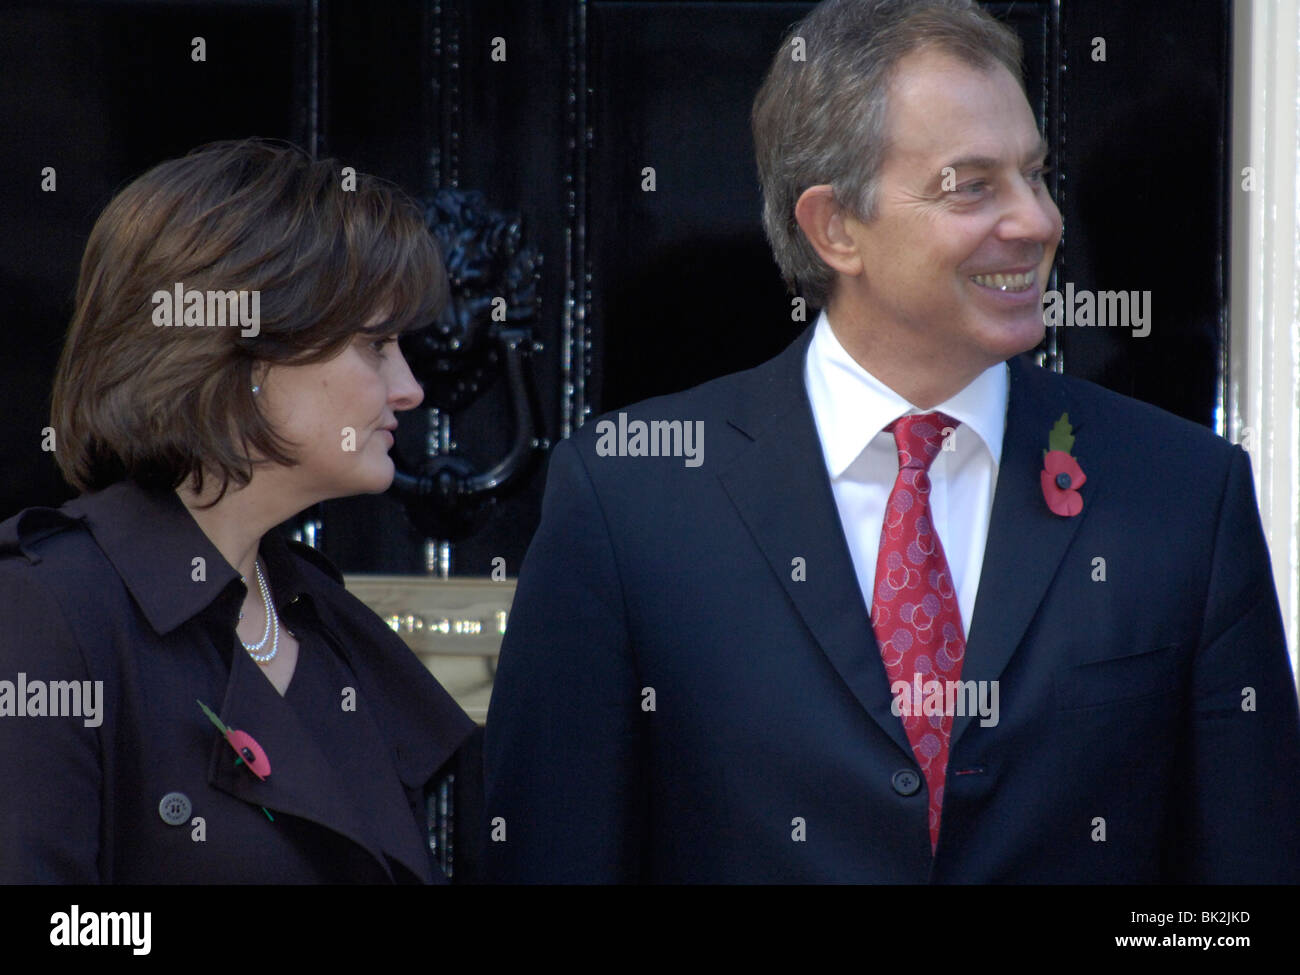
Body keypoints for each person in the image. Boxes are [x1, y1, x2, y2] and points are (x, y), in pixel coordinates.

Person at [482, 0, 1300, 882]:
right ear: (834, 226)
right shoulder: (629, 500)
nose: (1038, 220)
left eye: (1035, 174)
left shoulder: (1184, 493)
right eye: (973, 185)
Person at [0, 138, 479, 883]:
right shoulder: (49, 610)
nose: (410, 388)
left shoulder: (324, 622)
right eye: (375, 344)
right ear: (245, 361)